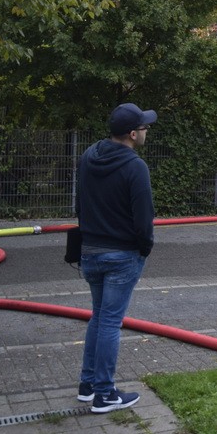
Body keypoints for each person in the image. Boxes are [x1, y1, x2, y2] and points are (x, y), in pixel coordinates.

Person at [75, 103, 157, 413]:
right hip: (122, 255)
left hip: (90, 252)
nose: (147, 131)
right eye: (145, 128)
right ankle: (105, 394)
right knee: (109, 322)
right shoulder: (135, 166)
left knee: (98, 317)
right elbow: (143, 217)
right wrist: (144, 248)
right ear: (133, 134)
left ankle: (87, 385)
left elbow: (80, 204)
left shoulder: (88, 156)